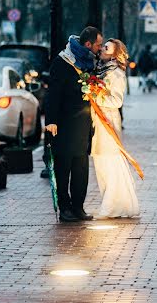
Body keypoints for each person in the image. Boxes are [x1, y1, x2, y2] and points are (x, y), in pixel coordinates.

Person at [45, 26, 103, 222]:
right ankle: (65, 208)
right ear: (88, 44)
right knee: (63, 169)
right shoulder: (63, 62)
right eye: (98, 45)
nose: (100, 48)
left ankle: (78, 207)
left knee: (81, 169)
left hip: (84, 124)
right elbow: (53, 93)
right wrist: (51, 120)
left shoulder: (89, 62)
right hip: (64, 124)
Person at [92, 38, 140, 218]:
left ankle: (112, 206)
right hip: (98, 120)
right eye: (103, 46)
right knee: (100, 163)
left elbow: (117, 101)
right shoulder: (101, 70)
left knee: (110, 162)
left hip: (108, 122)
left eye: (107, 48)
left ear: (115, 53)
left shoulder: (116, 74)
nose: (103, 49)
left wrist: (95, 96)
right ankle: (111, 203)